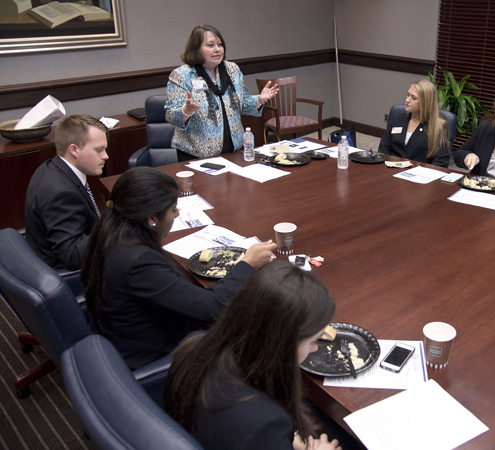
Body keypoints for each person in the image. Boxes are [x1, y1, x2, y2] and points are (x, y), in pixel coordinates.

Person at [81, 167, 276, 369]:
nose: (177, 214)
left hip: (124, 333)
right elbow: (212, 308)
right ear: (151, 219)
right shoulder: (138, 262)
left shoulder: (111, 228)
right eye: (173, 209)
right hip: (152, 354)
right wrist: (247, 265)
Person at [164, 261, 342, 450]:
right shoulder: (265, 422)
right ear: (282, 344)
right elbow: (255, 428)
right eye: (312, 341)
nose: (314, 348)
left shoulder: (194, 346)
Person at [166, 25, 279, 160]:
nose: (217, 49)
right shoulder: (182, 75)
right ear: (196, 49)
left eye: (220, 44)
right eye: (210, 45)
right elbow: (171, 116)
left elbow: (243, 105)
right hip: (197, 156)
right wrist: (186, 110)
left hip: (234, 152)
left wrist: (260, 99)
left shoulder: (232, 70)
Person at [25, 114, 108, 270]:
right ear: (74, 149)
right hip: (68, 275)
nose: (106, 156)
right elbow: (73, 256)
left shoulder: (51, 166)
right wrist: (115, 228)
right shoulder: (62, 194)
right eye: (99, 150)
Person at [378, 79, 451, 167]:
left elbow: (441, 162)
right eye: (408, 95)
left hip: (419, 175)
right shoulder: (397, 117)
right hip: (391, 169)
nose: (407, 100)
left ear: (425, 102)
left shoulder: (439, 127)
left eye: (413, 98)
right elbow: (383, 149)